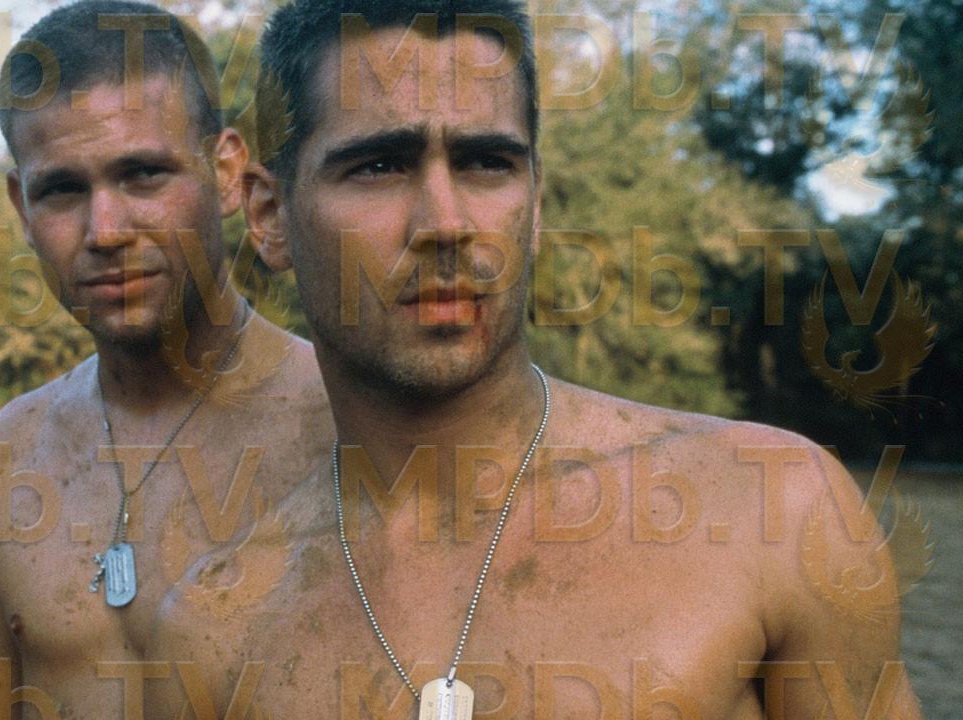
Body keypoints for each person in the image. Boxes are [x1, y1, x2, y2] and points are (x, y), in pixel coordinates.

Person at [236, 0, 926, 718]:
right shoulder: (221, 615)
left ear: (534, 205)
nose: (445, 223)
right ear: (269, 216)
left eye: (486, 163)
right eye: (379, 166)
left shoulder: (774, 513)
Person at [0, 2, 331, 717]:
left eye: (144, 175)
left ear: (227, 172)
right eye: (62, 190)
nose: (105, 231)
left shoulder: (348, 432)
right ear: (22, 209)